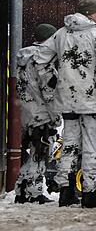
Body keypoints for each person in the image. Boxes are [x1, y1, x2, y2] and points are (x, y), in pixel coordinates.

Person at [35, 0, 96, 208]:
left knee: (70, 144)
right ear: (91, 14)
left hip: (67, 100)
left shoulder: (60, 34)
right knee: (92, 146)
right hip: (92, 101)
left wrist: (54, 81)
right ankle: (90, 193)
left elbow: (40, 59)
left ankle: (66, 190)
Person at [14, 23, 58, 204]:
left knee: (28, 153)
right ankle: (34, 191)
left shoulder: (22, 59)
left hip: (24, 112)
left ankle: (21, 189)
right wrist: (56, 116)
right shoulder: (43, 59)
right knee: (40, 153)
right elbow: (49, 90)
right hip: (41, 113)